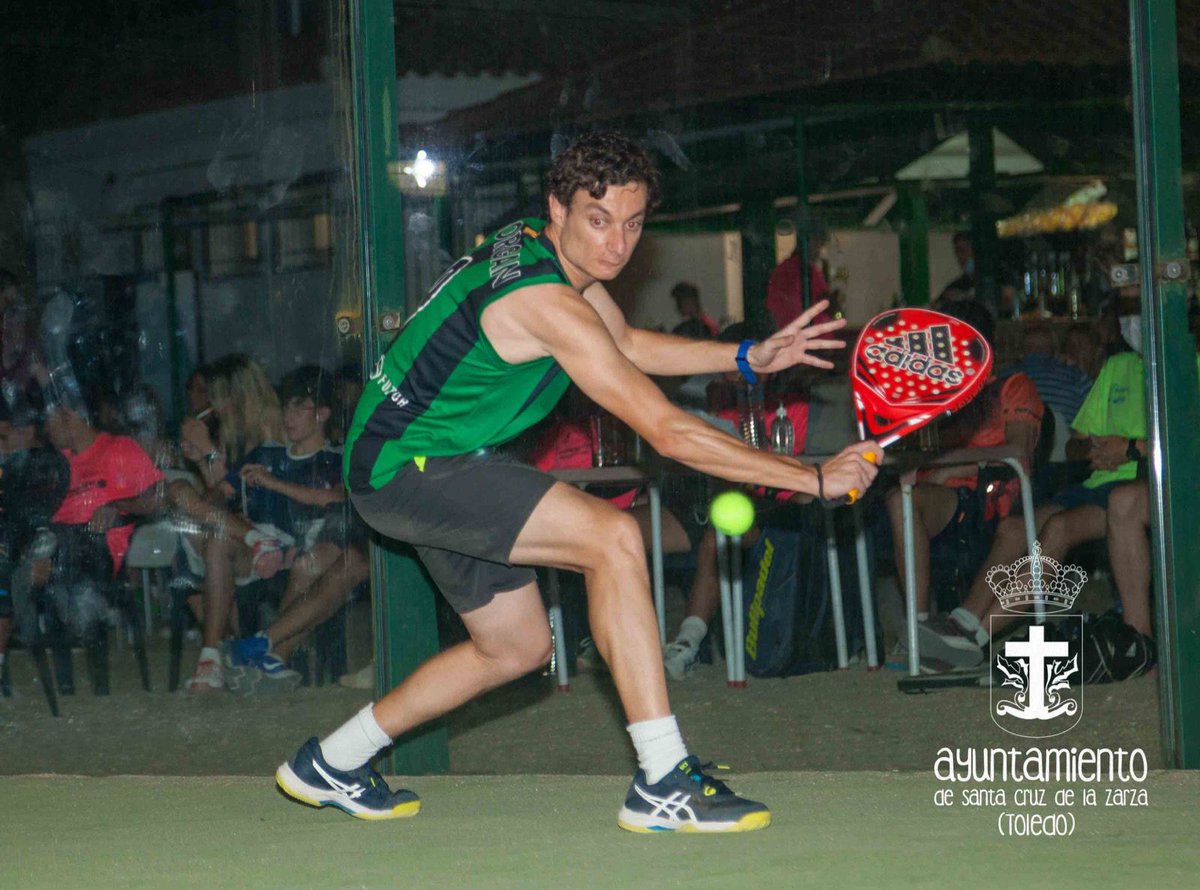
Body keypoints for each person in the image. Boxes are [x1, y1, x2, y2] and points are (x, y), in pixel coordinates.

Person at [274, 132, 879, 832]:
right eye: (599, 221)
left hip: (425, 456)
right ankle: (663, 778)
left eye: (633, 223)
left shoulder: (535, 243)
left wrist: (746, 357)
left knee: (517, 648)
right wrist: (814, 479)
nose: (617, 245)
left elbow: (621, 344)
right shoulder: (546, 303)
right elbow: (668, 432)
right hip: (407, 464)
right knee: (613, 539)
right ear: (558, 206)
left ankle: (335, 761)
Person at [917, 288, 1199, 669]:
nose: (1134, 324)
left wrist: (1131, 448)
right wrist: (1094, 451)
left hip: (1155, 483)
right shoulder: (1117, 367)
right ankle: (967, 623)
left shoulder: (1188, 367)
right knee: (1016, 527)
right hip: (1098, 483)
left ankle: (976, 635)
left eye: (1140, 314)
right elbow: (1074, 446)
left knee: (1060, 528)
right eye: (1128, 315)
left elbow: (1187, 438)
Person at [881, 301, 1043, 662]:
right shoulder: (937, 391)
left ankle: (958, 628)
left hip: (991, 497)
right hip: (946, 498)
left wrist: (946, 467)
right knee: (898, 499)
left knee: (912, 495)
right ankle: (919, 630)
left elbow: (1018, 448)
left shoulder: (1013, 387)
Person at [662, 322, 811, 679]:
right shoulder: (711, 398)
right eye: (730, 362)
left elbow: (793, 468)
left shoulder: (791, 401)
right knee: (634, 530)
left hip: (780, 512)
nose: (735, 373)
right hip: (718, 503)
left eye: (743, 362)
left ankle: (688, 643)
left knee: (718, 535)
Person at [219, 366, 355, 693]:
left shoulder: (335, 460)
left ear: (322, 414)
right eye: (286, 407)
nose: (289, 415)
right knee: (216, 545)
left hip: (314, 553)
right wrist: (207, 459)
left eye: (299, 407)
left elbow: (333, 500)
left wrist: (272, 482)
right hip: (261, 550)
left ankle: (267, 656)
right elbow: (217, 499)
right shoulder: (266, 454)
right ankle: (247, 657)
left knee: (308, 565)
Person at [765, 218, 831, 332]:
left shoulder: (814, 271)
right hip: (798, 341)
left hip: (815, 341)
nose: (819, 248)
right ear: (805, 241)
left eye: (822, 243)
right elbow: (785, 311)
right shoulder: (788, 271)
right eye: (817, 241)